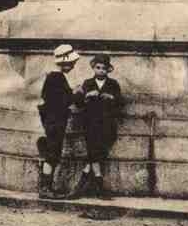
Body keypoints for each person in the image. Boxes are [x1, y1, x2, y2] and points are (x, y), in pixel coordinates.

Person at [71, 54, 123, 199]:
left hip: (107, 124)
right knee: (95, 153)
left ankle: (80, 187)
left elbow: (120, 103)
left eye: (104, 68)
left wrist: (111, 98)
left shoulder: (113, 84)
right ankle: (98, 188)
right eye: (98, 68)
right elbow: (78, 103)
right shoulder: (87, 83)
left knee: (95, 154)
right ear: (93, 68)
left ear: (108, 70)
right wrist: (87, 96)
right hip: (91, 124)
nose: (100, 71)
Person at [37, 43, 80, 199]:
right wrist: (75, 93)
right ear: (65, 63)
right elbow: (60, 100)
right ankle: (45, 188)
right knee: (52, 153)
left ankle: (46, 186)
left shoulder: (53, 76)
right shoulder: (57, 77)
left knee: (52, 152)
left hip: (52, 118)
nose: (73, 66)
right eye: (72, 64)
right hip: (55, 119)